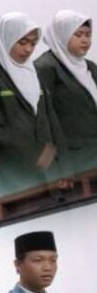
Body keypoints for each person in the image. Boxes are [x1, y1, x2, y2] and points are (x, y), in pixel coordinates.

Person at [0, 13, 62, 196]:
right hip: (9, 177)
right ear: (6, 38)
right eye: (22, 42)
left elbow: (50, 118)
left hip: (46, 175)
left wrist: (60, 162)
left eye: (33, 43)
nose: (28, 49)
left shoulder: (34, 72)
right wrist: (35, 153)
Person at [36, 11, 97, 174]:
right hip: (73, 158)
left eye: (88, 35)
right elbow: (44, 115)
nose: (85, 40)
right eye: (78, 35)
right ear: (62, 35)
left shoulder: (89, 66)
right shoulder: (45, 67)